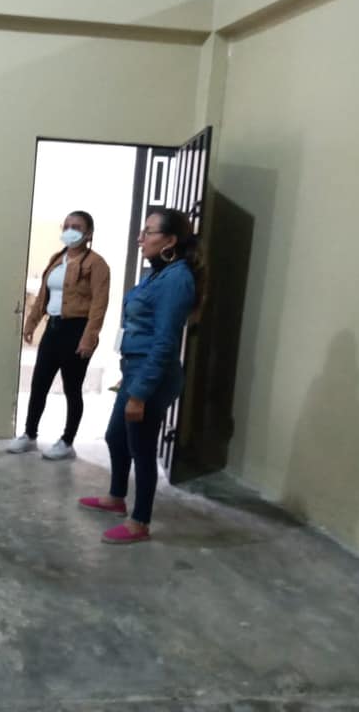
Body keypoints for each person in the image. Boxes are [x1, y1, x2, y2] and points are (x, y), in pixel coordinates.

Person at [79, 208, 202, 543]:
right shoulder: (157, 274)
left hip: (153, 376)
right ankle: (116, 498)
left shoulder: (177, 279)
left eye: (148, 232)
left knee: (142, 448)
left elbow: (164, 343)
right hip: (135, 370)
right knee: (115, 437)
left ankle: (140, 522)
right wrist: (128, 375)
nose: (140, 238)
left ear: (170, 240)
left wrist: (140, 392)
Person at [8, 211, 110, 459]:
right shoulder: (57, 259)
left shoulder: (96, 264)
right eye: (67, 226)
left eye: (77, 227)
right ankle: (29, 435)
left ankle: (67, 441)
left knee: (72, 387)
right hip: (53, 329)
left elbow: (99, 304)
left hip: (77, 329)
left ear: (89, 233)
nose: (70, 230)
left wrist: (89, 338)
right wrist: (31, 323)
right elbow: (44, 295)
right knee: (39, 383)